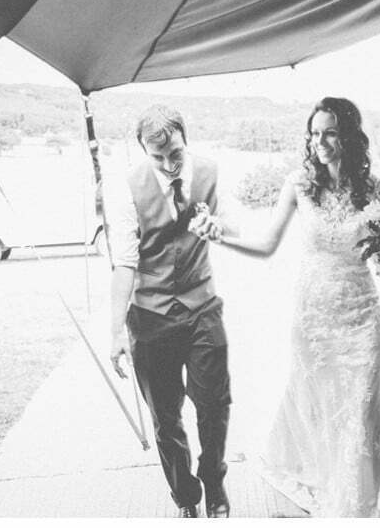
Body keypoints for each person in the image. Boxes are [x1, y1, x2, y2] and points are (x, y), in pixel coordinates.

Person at [192, 97, 380, 517]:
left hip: (361, 317)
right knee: (323, 415)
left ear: (349, 136)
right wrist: (220, 237)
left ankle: (362, 511)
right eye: (314, 133)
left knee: (363, 418)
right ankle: (335, 502)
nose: (319, 142)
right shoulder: (299, 184)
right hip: (314, 318)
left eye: (330, 133)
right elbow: (266, 244)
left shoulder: (375, 190)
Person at [108, 105, 231, 519]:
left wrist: (220, 227)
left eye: (175, 153)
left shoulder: (211, 172)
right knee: (165, 417)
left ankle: (214, 480)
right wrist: (116, 332)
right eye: (156, 156)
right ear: (144, 150)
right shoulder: (127, 187)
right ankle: (185, 496)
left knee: (214, 403)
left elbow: (234, 226)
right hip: (150, 317)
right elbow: (124, 263)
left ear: (185, 139)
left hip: (203, 308)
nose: (167, 164)